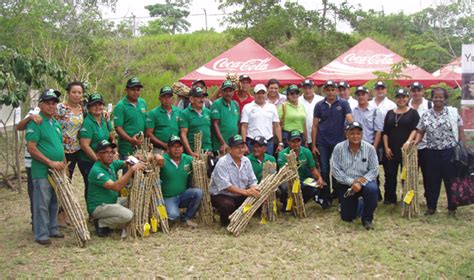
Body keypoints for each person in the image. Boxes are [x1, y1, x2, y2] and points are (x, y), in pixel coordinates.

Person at [413, 87, 466, 216]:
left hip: (449, 152)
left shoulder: (452, 113)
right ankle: (431, 207)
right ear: (432, 98)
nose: (438, 99)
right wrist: (415, 142)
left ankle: (452, 208)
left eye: (440, 97)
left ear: (445, 99)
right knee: (432, 181)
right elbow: (420, 131)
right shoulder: (426, 114)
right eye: (435, 97)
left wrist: (463, 147)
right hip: (431, 152)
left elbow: (460, 130)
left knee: (450, 180)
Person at [26, 89, 66, 245]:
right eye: (48, 103)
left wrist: (62, 164)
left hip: (57, 170)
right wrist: (50, 162)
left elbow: (59, 146)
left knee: (54, 201)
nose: (52, 106)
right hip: (42, 170)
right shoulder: (36, 122)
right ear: (40, 105)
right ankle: (41, 234)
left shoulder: (55, 123)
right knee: (42, 202)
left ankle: (52, 228)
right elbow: (32, 148)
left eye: (54, 103)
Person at [87, 140, 148, 237]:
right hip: (100, 207)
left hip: (112, 202)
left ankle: (111, 219)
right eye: (106, 152)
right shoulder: (97, 171)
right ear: (98, 155)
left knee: (136, 200)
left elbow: (125, 162)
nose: (110, 155)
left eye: (112, 152)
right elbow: (116, 187)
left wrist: (134, 159)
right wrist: (132, 169)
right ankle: (101, 223)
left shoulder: (111, 164)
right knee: (128, 215)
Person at [311, 80, 353, 208]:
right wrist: (313, 145)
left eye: (332, 89)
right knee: (324, 169)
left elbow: (350, 120)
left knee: (337, 169)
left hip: (338, 143)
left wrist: (350, 137)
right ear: (324, 91)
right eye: (328, 90)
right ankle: (326, 196)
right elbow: (314, 125)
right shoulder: (319, 105)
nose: (330, 92)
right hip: (322, 142)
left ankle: (338, 195)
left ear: (336, 90)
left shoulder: (344, 104)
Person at [331, 122, 379, 230]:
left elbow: (374, 170)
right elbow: (335, 170)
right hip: (347, 184)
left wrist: (360, 182)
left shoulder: (370, 148)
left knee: (372, 189)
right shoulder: (339, 148)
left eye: (358, 133)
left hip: (365, 183)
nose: (355, 136)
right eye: (352, 133)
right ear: (346, 134)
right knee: (347, 218)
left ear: (362, 134)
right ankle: (360, 203)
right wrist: (352, 182)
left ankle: (367, 219)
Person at [210, 135, 260, 226]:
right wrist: (246, 192)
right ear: (229, 149)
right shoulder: (222, 162)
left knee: (256, 196)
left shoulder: (246, 161)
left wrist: (253, 189)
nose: (240, 150)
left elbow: (252, 180)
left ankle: (240, 217)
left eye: (242, 147)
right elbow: (226, 186)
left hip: (239, 193)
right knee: (227, 205)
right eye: (237, 147)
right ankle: (224, 221)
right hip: (222, 194)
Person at [382, 88, 420, 205]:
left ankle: (406, 198)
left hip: (406, 150)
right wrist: (386, 147)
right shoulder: (390, 113)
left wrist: (409, 141)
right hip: (391, 150)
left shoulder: (413, 113)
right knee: (390, 174)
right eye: (399, 97)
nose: (401, 99)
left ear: (407, 98)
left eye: (404, 97)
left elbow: (416, 129)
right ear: (395, 99)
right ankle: (390, 198)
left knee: (406, 175)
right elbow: (385, 132)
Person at [156, 135, 203, 228]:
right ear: (168, 148)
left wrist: (200, 159)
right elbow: (147, 159)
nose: (177, 149)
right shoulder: (163, 160)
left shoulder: (187, 159)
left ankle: (186, 218)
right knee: (173, 216)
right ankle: (167, 214)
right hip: (168, 197)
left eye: (179, 146)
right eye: (174, 146)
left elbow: (198, 162)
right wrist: (155, 155)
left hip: (183, 195)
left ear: (182, 148)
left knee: (198, 192)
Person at [78, 93, 114, 202]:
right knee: (91, 187)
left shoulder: (104, 118)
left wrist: (112, 152)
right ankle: (92, 214)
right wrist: (97, 160)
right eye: (94, 105)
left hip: (103, 159)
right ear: (89, 107)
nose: (97, 107)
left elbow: (111, 135)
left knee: (104, 186)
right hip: (88, 161)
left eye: (100, 104)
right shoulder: (88, 123)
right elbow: (84, 145)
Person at [278, 131, 324, 209]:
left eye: (298, 141)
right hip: (288, 180)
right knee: (284, 187)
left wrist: (319, 178)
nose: (296, 144)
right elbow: (284, 174)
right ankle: (286, 202)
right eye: (293, 141)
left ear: (301, 141)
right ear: (288, 142)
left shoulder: (306, 152)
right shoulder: (282, 154)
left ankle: (303, 200)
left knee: (315, 186)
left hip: (304, 179)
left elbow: (313, 169)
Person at [241, 84, 283, 155]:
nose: (260, 95)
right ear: (254, 94)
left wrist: (280, 143)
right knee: (252, 164)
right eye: (258, 93)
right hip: (252, 141)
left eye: (263, 93)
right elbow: (244, 127)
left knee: (268, 164)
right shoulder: (247, 107)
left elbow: (277, 126)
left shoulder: (272, 107)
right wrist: (244, 144)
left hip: (268, 141)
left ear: (266, 94)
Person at [16, 106, 41, 229]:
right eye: (48, 101)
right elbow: (19, 127)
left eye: (54, 101)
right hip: (32, 163)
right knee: (34, 193)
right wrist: (30, 118)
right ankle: (35, 222)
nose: (51, 103)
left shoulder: (54, 112)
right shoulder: (34, 112)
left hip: (47, 163)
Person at [55, 81, 85, 178]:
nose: (77, 95)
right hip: (63, 150)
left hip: (78, 150)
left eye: (79, 93)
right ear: (68, 93)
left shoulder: (83, 109)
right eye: (74, 92)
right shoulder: (60, 108)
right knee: (65, 178)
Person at [113, 77, 147, 159]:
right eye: (133, 89)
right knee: (129, 170)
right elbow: (118, 128)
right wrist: (131, 140)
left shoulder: (142, 102)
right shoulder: (120, 106)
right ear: (126, 90)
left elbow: (145, 121)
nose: (135, 92)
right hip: (127, 148)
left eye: (138, 90)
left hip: (141, 147)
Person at [408, 81, 431, 197]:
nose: (416, 93)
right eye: (414, 90)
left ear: (422, 91)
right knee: (410, 175)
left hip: (426, 146)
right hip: (410, 147)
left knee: (427, 174)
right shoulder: (406, 105)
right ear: (410, 92)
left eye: (418, 90)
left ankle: (429, 197)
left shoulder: (429, 105)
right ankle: (410, 198)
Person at [145, 86, 180, 154]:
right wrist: (164, 145)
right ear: (159, 98)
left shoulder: (178, 112)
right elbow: (148, 134)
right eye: (164, 97)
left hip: (176, 149)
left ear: (173, 98)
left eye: (169, 97)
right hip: (159, 149)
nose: (167, 99)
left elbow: (182, 131)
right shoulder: (153, 113)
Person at [179, 87, 212, 157]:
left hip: (208, 152)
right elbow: (183, 135)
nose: (202, 100)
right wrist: (191, 153)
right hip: (194, 153)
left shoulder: (208, 112)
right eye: (199, 97)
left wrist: (211, 150)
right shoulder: (184, 113)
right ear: (191, 99)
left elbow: (212, 132)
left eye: (203, 97)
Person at [211, 80, 240, 155]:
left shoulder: (235, 104)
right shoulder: (216, 103)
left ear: (233, 92)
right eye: (225, 91)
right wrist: (223, 143)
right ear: (221, 92)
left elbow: (237, 124)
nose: (228, 93)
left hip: (233, 145)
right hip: (220, 146)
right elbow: (215, 124)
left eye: (230, 91)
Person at [298, 79, 324, 150]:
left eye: (309, 88)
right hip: (303, 136)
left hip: (320, 136)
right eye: (305, 88)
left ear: (314, 88)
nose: (307, 90)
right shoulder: (297, 101)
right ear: (302, 89)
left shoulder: (321, 100)